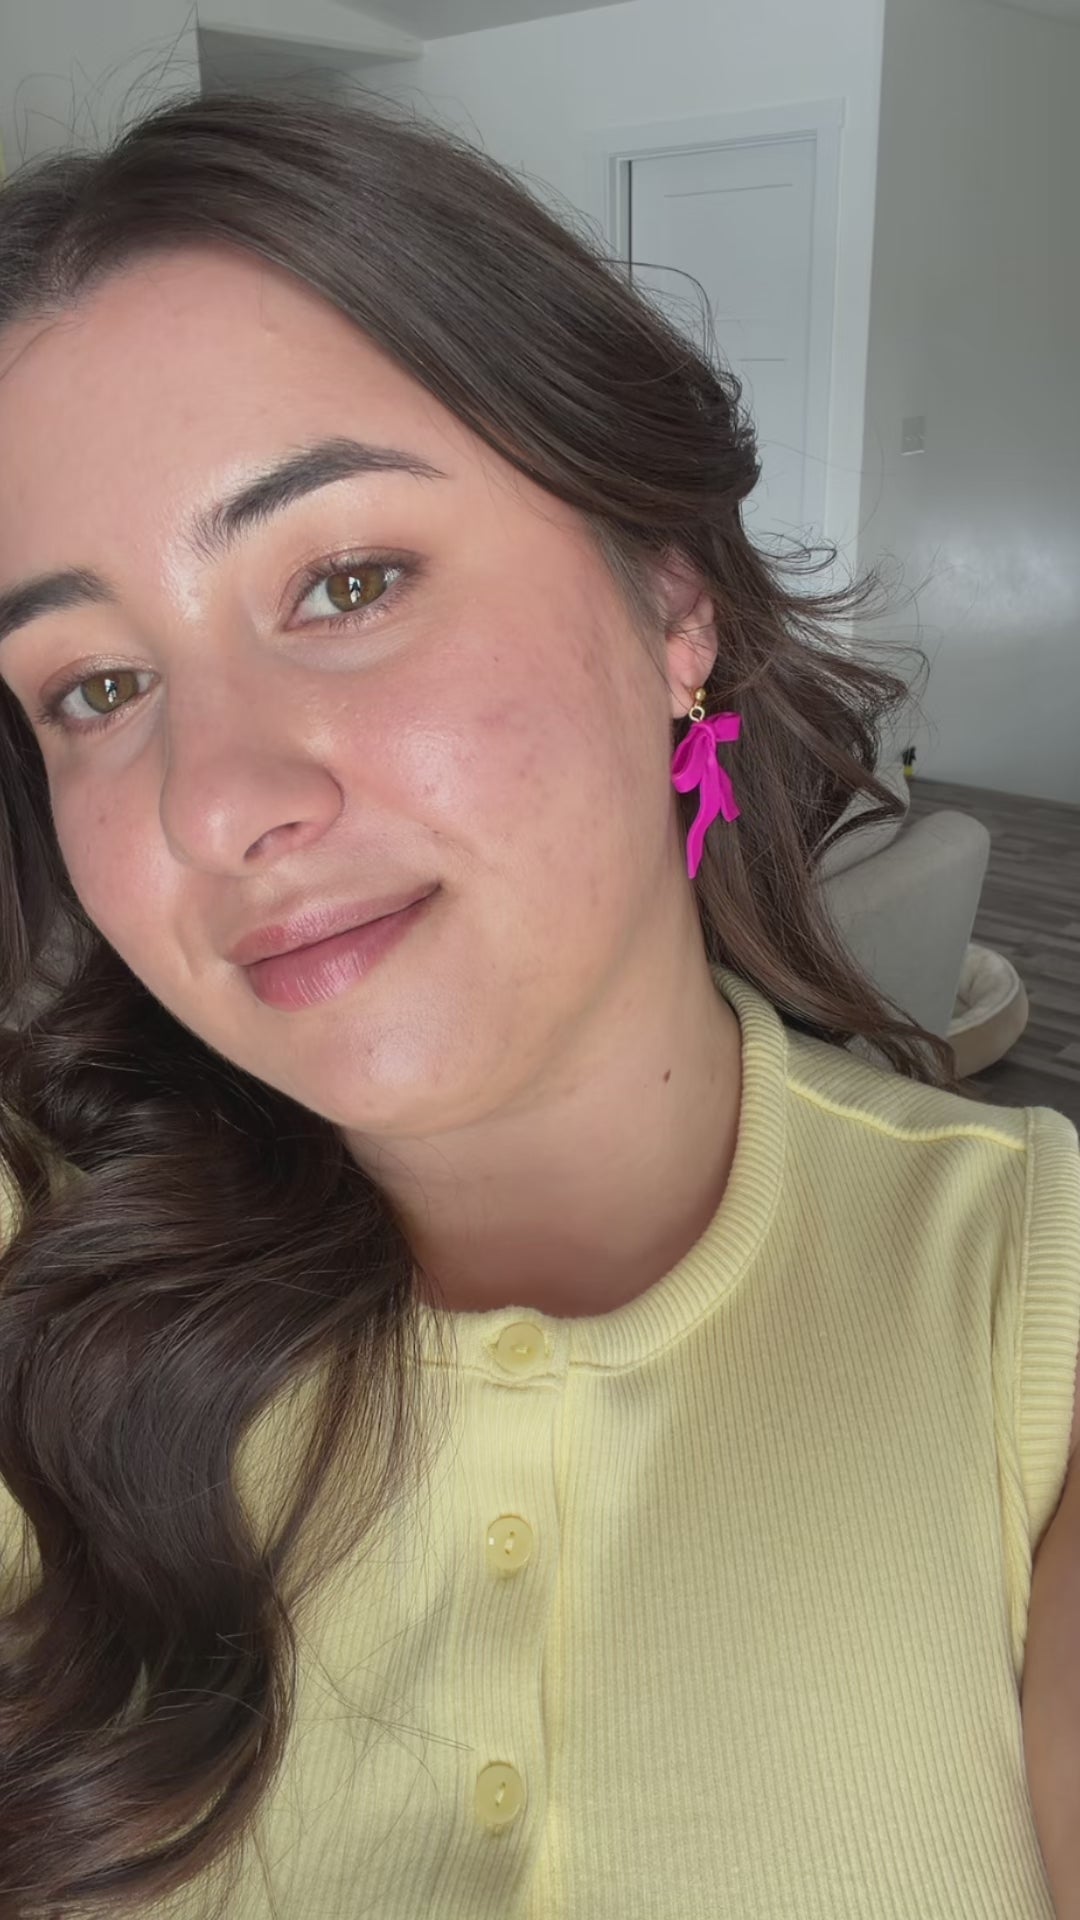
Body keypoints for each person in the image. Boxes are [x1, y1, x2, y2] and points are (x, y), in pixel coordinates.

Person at [0, 86, 1076, 1920]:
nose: (216, 805)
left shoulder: (1031, 1298)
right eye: (94, 687)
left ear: (671, 600)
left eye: (345, 582)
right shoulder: (35, 1264)